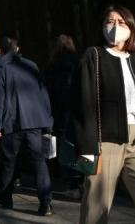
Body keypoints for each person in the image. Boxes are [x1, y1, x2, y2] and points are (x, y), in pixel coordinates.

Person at [71, 5, 135, 224]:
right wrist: (87, 147)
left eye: (121, 22)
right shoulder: (93, 56)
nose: (115, 26)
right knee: (96, 210)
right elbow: (83, 102)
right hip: (103, 143)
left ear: (131, 28)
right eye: (110, 22)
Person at [0, 36, 54, 217]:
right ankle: (46, 202)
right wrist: (48, 119)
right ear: (17, 49)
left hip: (12, 121)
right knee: (39, 160)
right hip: (35, 120)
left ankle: (6, 196)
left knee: (9, 160)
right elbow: (43, 92)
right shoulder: (31, 65)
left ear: (0, 51)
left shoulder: (0, 68)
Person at [44, 34, 82, 198]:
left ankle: (73, 183)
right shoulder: (79, 62)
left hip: (61, 110)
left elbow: (48, 91)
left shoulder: (54, 66)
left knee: (65, 146)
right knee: (81, 145)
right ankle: (84, 179)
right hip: (79, 109)